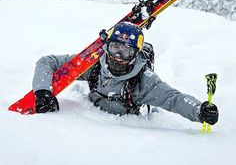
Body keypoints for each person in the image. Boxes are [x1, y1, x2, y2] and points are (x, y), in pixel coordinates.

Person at [33, 22, 218, 125]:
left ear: (135, 54)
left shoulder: (145, 81)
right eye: (115, 48)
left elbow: (174, 100)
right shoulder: (93, 64)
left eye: (126, 51)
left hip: (126, 130)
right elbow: (47, 61)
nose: (118, 56)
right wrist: (42, 92)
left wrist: (199, 111)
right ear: (107, 47)